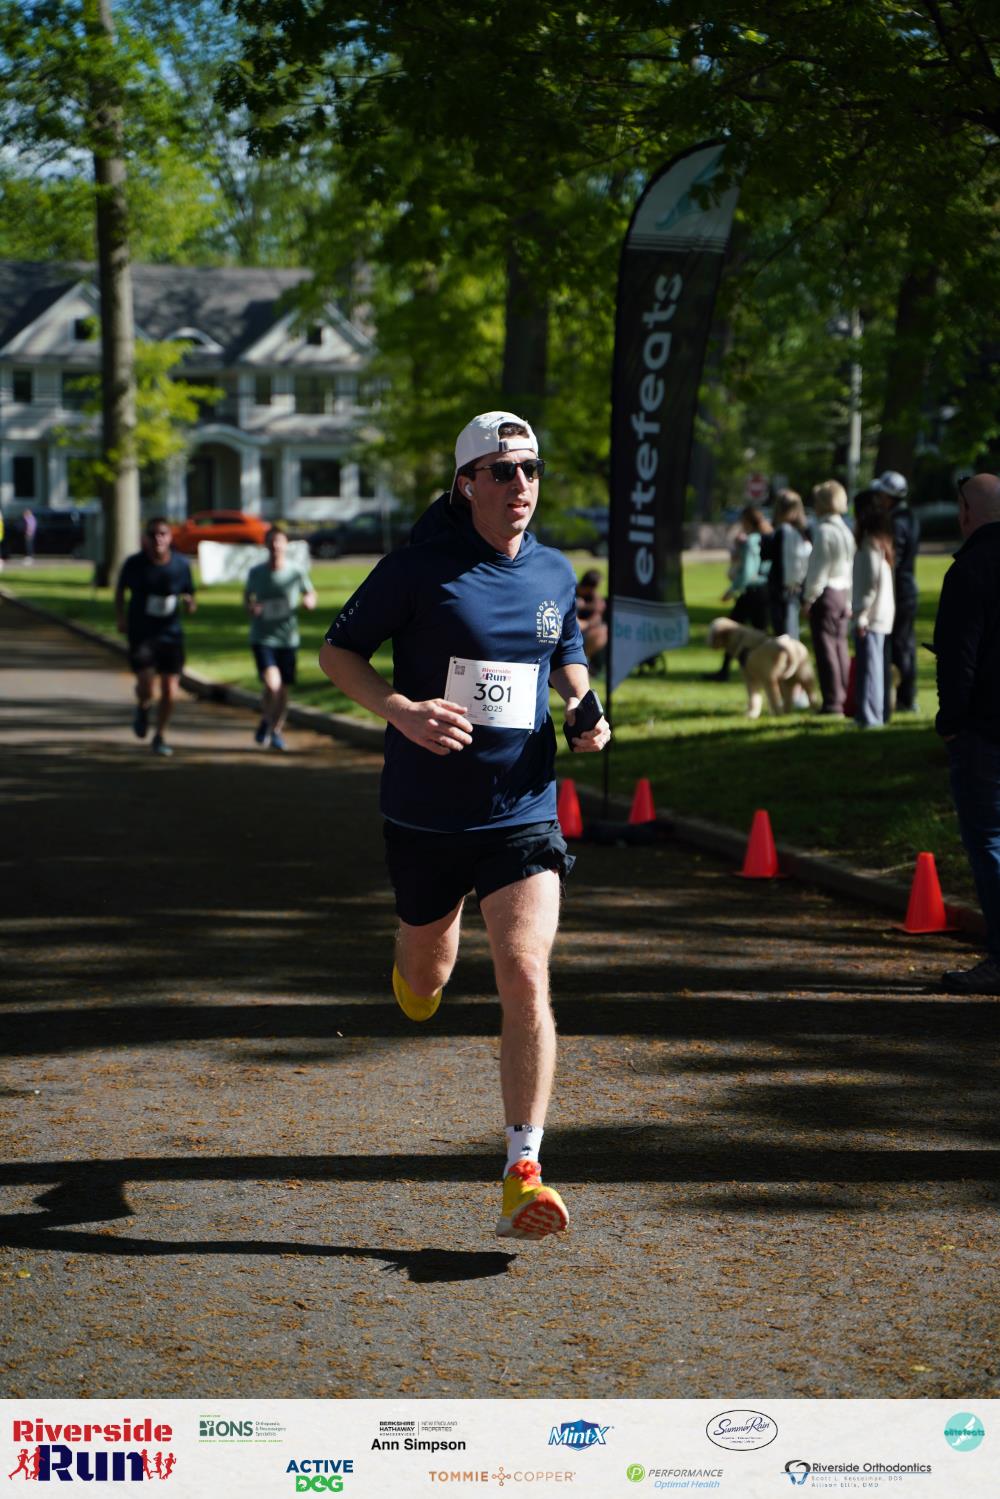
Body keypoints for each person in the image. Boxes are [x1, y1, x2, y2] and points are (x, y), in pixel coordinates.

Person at [318, 410, 610, 1241]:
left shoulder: (552, 569)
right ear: (467, 482)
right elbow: (338, 653)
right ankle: (415, 967)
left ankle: (524, 1168)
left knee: (525, 970)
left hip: (523, 808)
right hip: (427, 813)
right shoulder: (417, 569)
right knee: (428, 971)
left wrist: (584, 704)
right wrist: (401, 709)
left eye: (531, 469)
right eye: (503, 470)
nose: (521, 484)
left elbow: (563, 649)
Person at [933, 472, 1000, 995]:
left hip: (985, 729)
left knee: (990, 843)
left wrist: (951, 725)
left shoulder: (971, 569)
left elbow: (958, 658)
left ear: (965, 513)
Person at [114, 516, 196, 757]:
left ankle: (160, 735)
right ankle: (143, 706)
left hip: (171, 634)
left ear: (170, 538)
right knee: (146, 684)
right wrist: (121, 617)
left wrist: (190, 604)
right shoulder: (135, 564)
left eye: (163, 534)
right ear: (146, 539)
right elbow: (120, 591)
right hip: (142, 632)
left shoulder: (181, 565)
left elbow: (190, 595)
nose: (158, 539)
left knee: (170, 690)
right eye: (153, 535)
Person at [245, 525, 317, 751]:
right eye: (271, 541)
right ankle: (268, 720)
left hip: (288, 639)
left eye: (279, 541)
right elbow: (248, 598)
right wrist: (252, 607)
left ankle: (274, 729)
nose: (275, 545)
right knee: (272, 684)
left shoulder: (295, 571)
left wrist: (309, 601)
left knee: (282, 690)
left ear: (286, 545)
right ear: (266, 545)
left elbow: (310, 592)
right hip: (263, 637)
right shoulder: (257, 572)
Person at [802, 480, 856, 714]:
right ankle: (843, 696)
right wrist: (850, 600)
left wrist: (808, 598)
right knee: (840, 647)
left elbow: (818, 570)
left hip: (827, 594)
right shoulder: (845, 530)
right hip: (843, 593)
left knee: (826, 650)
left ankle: (832, 701)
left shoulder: (824, 531)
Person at [704, 506, 772, 681]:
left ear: (747, 521)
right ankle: (759, 669)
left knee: (731, 630)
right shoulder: (768, 537)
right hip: (764, 591)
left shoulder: (752, 541)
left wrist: (732, 590)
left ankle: (726, 670)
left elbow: (748, 572)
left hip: (751, 592)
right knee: (760, 634)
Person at [873, 469, 920, 711]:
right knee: (904, 645)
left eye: (881, 495)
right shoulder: (908, 517)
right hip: (906, 589)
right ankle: (905, 696)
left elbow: (895, 559)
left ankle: (905, 698)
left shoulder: (897, 521)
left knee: (901, 647)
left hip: (899, 591)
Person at [851, 495, 895, 728]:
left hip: (870, 617)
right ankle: (869, 714)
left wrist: (861, 615)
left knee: (870, 669)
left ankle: (870, 716)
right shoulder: (881, 543)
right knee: (873, 666)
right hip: (879, 615)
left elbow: (869, 585)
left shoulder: (869, 545)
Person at [762, 489, 811, 638]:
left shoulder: (779, 532)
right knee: (790, 629)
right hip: (798, 586)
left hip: (780, 587)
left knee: (784, 633)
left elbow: (765, 554)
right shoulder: (805, 532)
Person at [574, 567, 607, 671]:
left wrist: (587, 622)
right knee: (601, 632)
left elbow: (598, 612)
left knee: (602, 631)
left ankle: (589, 664)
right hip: (572, 631)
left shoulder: (593, 596)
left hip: (585, 630)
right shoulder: (572, 592)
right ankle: (580, 661)